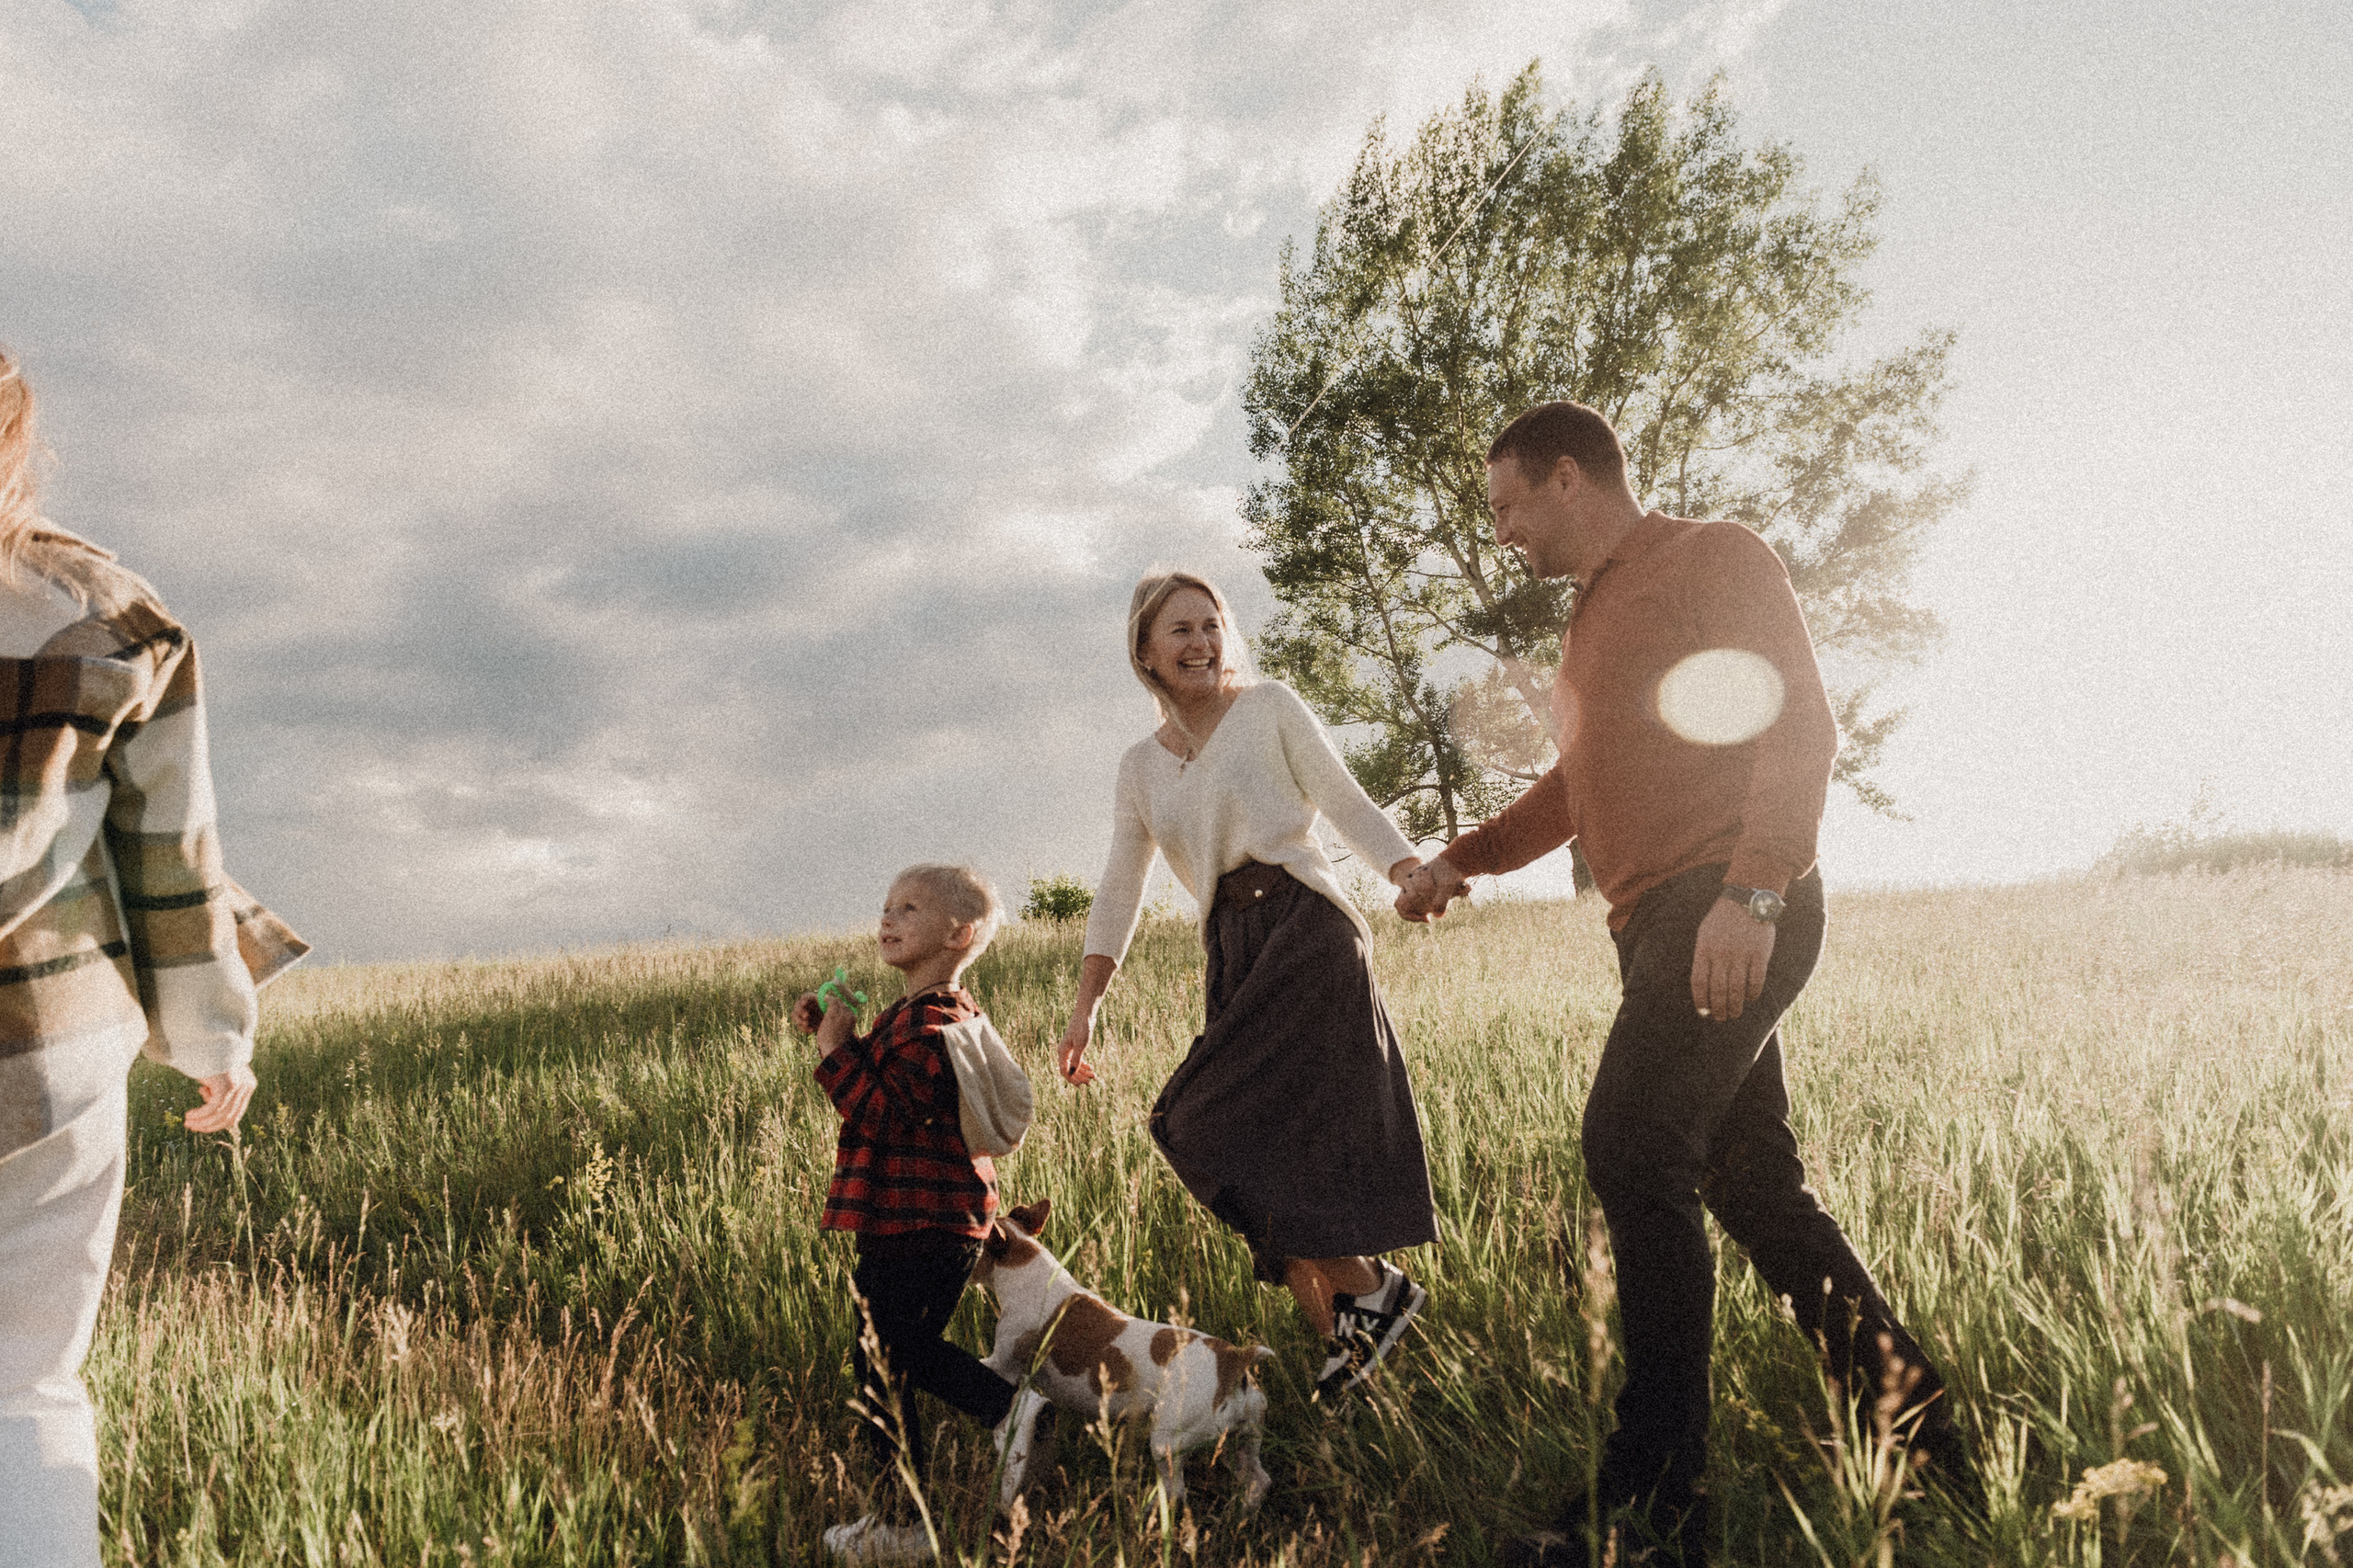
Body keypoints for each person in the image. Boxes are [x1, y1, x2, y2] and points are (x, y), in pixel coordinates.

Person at [1395, 402, 1972, 1563]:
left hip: (1725, 902)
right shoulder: (1593, 617)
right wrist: (1464, 855)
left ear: (1568, 476)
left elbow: (1796, 720)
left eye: (1505, 504)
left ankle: (1656, 1500)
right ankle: (1928, 1439)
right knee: (1752, 1183)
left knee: (1631, 1148)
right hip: (1659, 919)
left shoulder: (1712, 553)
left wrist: (1753, 891)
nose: (1499, 529)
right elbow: (1578, 782)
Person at [0, 347, 307, 1568]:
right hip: (50, 1050)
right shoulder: (111, 617)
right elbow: (168, 848)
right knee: (25, 1383)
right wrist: (212, 1036)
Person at [1057, 569, 1437, 1396]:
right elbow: (1120, 887)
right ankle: (1361, 1326)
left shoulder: (1269, 709)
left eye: (1211, 625)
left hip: (1306, 931)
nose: (1201, 643)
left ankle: (1369, 1299)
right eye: (1180, 631)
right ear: (1146, 654)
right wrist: (1087, 1005)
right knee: (1246, 1147)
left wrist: (1407, 868)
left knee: (1195, 1122)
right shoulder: (1139, 768)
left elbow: (1344, 799)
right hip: (1231, 949)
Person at [799, 863, 1047, 1566]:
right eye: (885, 907)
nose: (887, 919)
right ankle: (902, 1521)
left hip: (918, 1220)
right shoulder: (924, 1016)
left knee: (886, 1356)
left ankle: (1003, 1411)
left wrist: (832, 1053)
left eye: (909, 909)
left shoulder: (930, 1024)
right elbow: (885, 1086)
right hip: (934, 1219)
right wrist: (836, 1033)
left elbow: (878, 1114)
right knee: (890, 1362)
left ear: (958, 933)